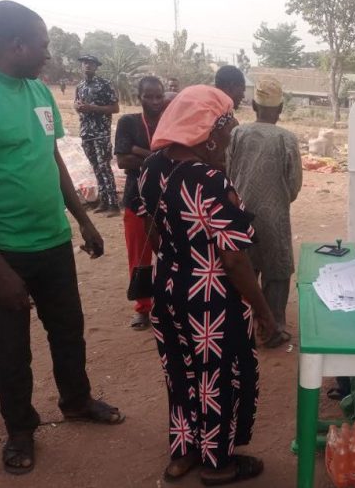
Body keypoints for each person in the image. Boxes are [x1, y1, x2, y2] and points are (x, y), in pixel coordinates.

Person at [0, 0, 124, 476]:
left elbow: (50, 160)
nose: (50, 54)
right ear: (17, 44)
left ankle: (76, 400)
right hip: (0, 250)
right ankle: (20, 429)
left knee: (67, 328)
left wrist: (83, 221)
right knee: (10, 346)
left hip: (51, 241)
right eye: (44, 45)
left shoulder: (38, 91)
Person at [138, 85, 274, 484]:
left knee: (180, 372)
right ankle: (218, 463)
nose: (230, 141)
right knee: (218, 375)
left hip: (168, 291)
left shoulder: (152, 166)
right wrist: (264, 311)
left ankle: (182, 455)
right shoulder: (211, 181)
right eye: (228, 132)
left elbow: (152, 226)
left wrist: (180, 260)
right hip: (211, 299)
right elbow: (234, 258)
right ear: (209, 133)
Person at [226, 76, 302, 349]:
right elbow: (294, 185)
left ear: (254, 105)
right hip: (275, 216)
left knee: (243, 270)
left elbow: (228, 172)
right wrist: (278, 200)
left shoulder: (237, 133)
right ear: (280, 109)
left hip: (240, 214)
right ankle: (274, 328)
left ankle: (243, 327)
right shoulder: (287, 139)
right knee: (277, 272)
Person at [114, 76, 165, 330]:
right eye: (149, 96)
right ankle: (143, 308)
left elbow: (176, 156)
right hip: (137, 199)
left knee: (170, 255)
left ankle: (168, 303)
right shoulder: (128, 122)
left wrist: (139, 152)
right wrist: (157, 157)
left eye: (159, 96)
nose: (155, 101)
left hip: (167, 201)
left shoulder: (170, 122)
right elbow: (123, 161)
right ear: (139, 97)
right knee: (139, 256)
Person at [75, 54, 121, 216]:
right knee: (95, 166)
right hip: (86, 132)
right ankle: (103, 201)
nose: (87, 66)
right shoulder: (79, 87)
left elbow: (115, 108)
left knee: (104, 166)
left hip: (101, 133)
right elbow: (78, 104)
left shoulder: (105, 84)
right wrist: (78, 107)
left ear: (96, 67)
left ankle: (113, 204)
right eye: (85, 63)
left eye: (91, 63)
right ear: (81, 66)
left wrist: (92, 108)